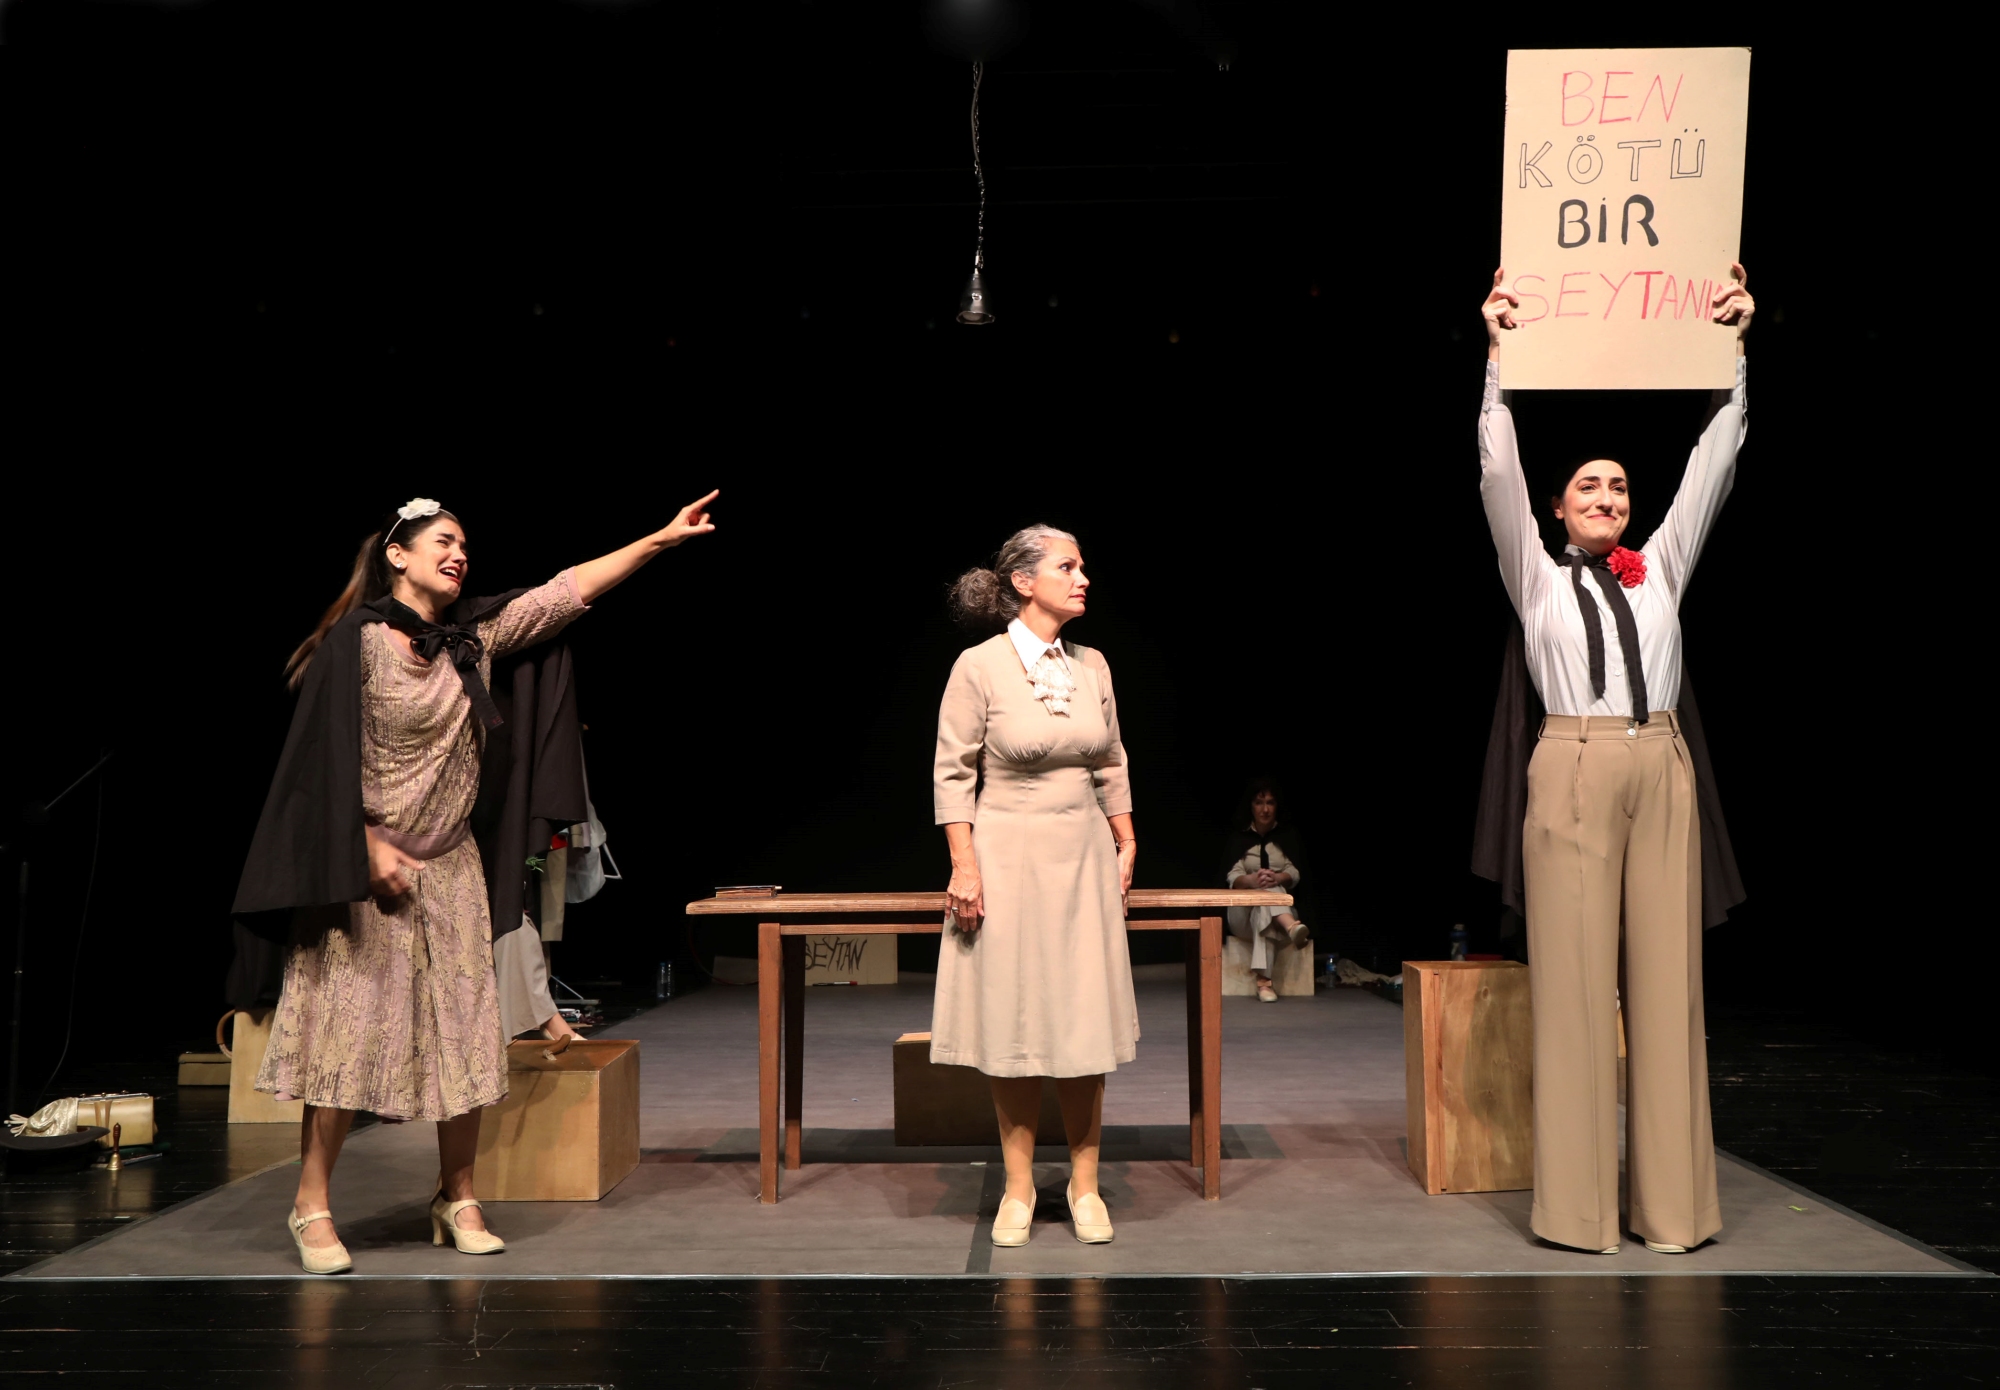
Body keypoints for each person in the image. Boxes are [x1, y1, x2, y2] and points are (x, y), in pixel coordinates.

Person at [233, 491, 717, 1274]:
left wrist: (659, 541)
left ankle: (456, 1195)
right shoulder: (356, 645)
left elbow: (566, 591)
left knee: (463, 1036)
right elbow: (316, 770)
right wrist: (364, 845)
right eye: (444, 542)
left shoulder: (473, 638)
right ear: (398, 555)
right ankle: (311, 1204)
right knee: (345, 1038)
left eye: (465, 545)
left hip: (451, 866)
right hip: (364, 874)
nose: (460, 554)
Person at [1480, 263, 1752, 1256]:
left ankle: (1672, 1211)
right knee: (1573, 990)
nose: (1607, 495)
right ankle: (1580, 1214)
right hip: (1574, 765)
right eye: (1587, 485)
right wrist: (1497, 358)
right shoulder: (1537, 579)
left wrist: (1731, 350)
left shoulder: (1660, 570)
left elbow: (1712, 465)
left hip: (1659, 763)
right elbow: (1495, 471)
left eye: (1619, 485)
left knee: (1668, 989)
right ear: (1557, 508)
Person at [933, 524, 1137, 1248]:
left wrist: (1126, 839)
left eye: (1083, 566)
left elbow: (1111, 760)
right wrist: (964, 864)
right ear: (1024, 582)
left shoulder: (1093, 665)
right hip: (1009, 858)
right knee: (1015, 1022)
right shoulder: (979, 666)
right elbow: (953, 771)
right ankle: (1018, 1187)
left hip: (1082, 859)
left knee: (1083, 1023)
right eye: (1068, 566)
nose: (1084, 578)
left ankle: (1085, 1184)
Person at [1221, 779, 1310, 1002]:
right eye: (1259, 803)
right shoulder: (1239, 838)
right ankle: (1292, 927)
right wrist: (1252, 880)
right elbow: (1231, 877)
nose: (1265, 809)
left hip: (1273, 913)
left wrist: (1278, 877)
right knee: (1264, 893)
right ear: (1251, 806)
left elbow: (1295, 873)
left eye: (1270, 802)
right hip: (1242, 916)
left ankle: (1264, 984)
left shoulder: (1286, 837)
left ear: (1277, 806)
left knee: (1268, 899)